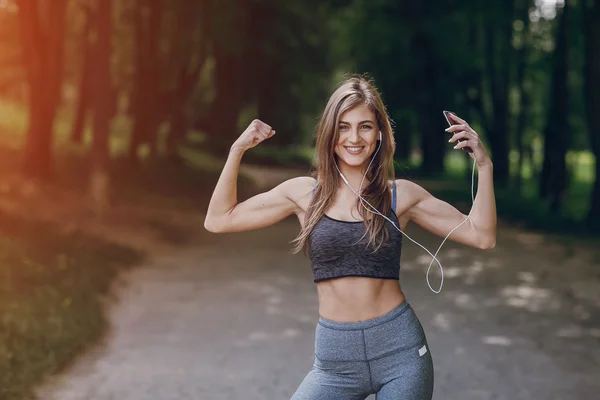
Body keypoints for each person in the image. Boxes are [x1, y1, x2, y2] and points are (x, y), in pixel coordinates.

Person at [204, 75, 497, 399]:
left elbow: (481, 235)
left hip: (400, 354)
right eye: (343, 127)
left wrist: (484, 166)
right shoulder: (303, 193)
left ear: (380, 135)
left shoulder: (401, 196)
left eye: (365, 126)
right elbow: (219, 220)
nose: (354, 137)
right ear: (330, 134)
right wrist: (237, 150)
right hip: (334, 364)